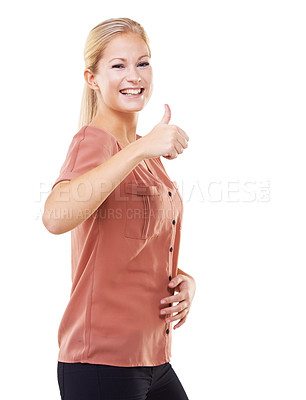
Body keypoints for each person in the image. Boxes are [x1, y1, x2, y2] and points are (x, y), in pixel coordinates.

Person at [43, 17, 196, 400]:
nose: (135, 75)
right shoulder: (95, 141)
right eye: (118, 65)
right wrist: (141, 148)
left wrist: (184, 280)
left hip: (153, 359)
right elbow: (55, 216)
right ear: (92, 78)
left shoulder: (146, 151)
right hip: (102, 363)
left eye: (143, 62)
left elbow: (131, 250)